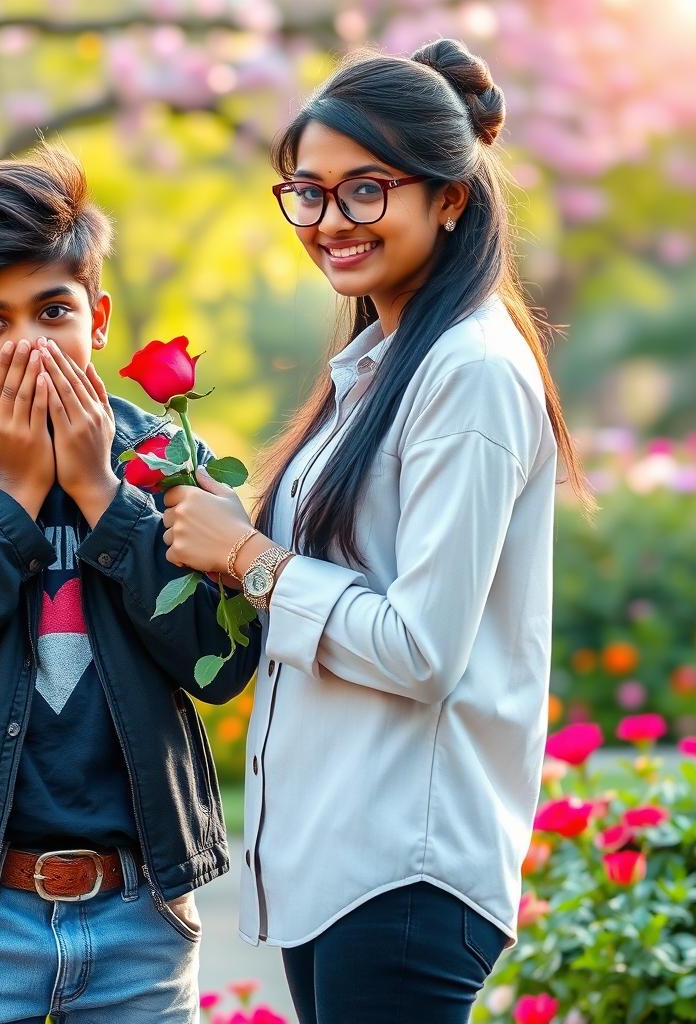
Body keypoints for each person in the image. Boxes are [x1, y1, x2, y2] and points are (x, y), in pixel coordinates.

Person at [160, 38, 594, 1023]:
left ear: (449, 196)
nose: (328, 222)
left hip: (403, 868)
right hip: (346, 861)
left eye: (365, 191)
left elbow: (421, 648)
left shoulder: (468, 370)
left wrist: (247, 555)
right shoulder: (380, 365)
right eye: (306, 192)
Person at [0, 144, 260, 1023]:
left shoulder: (168, 460)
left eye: (52, 310)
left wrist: (105, 497)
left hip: (138, 912)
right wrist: (14, 497)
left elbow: (221, 667)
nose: (27, 344)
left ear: (98, 317)